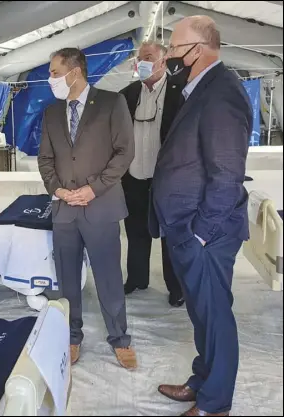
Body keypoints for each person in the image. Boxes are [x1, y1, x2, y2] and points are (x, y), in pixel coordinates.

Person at [150, 17, 252, 416]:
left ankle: (215, 404)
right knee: (202, 314)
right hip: (188, 226)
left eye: (174, 49)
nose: (170, 57)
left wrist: (201, 234)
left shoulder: (221, 92)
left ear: (200, 48)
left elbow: (226, 174)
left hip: (204, 231)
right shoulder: (200, 89)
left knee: (215, 319)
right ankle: (203, 380)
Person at [38, 48, 137, 370]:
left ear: (75, 71)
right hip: (65, 209)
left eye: (55, 72)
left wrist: (93, 189)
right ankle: (71, 335)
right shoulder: (52, 112)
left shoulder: (111, 103)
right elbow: (45, 158)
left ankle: (120, 338)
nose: (50, 79)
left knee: (108, 277)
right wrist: (58, 189)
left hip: (101, 206)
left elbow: (124, 153)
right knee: (67, 280)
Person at [120, 41, 184, 307]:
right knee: (135, 231)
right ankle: (136, 278)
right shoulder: (128, 93)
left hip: (167, 181)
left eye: (147, 57)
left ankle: (176, 287)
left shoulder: (179, 92)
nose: (141, 63)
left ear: (163, 61)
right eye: (138, 58)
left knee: (170, 235)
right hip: (134, 176)